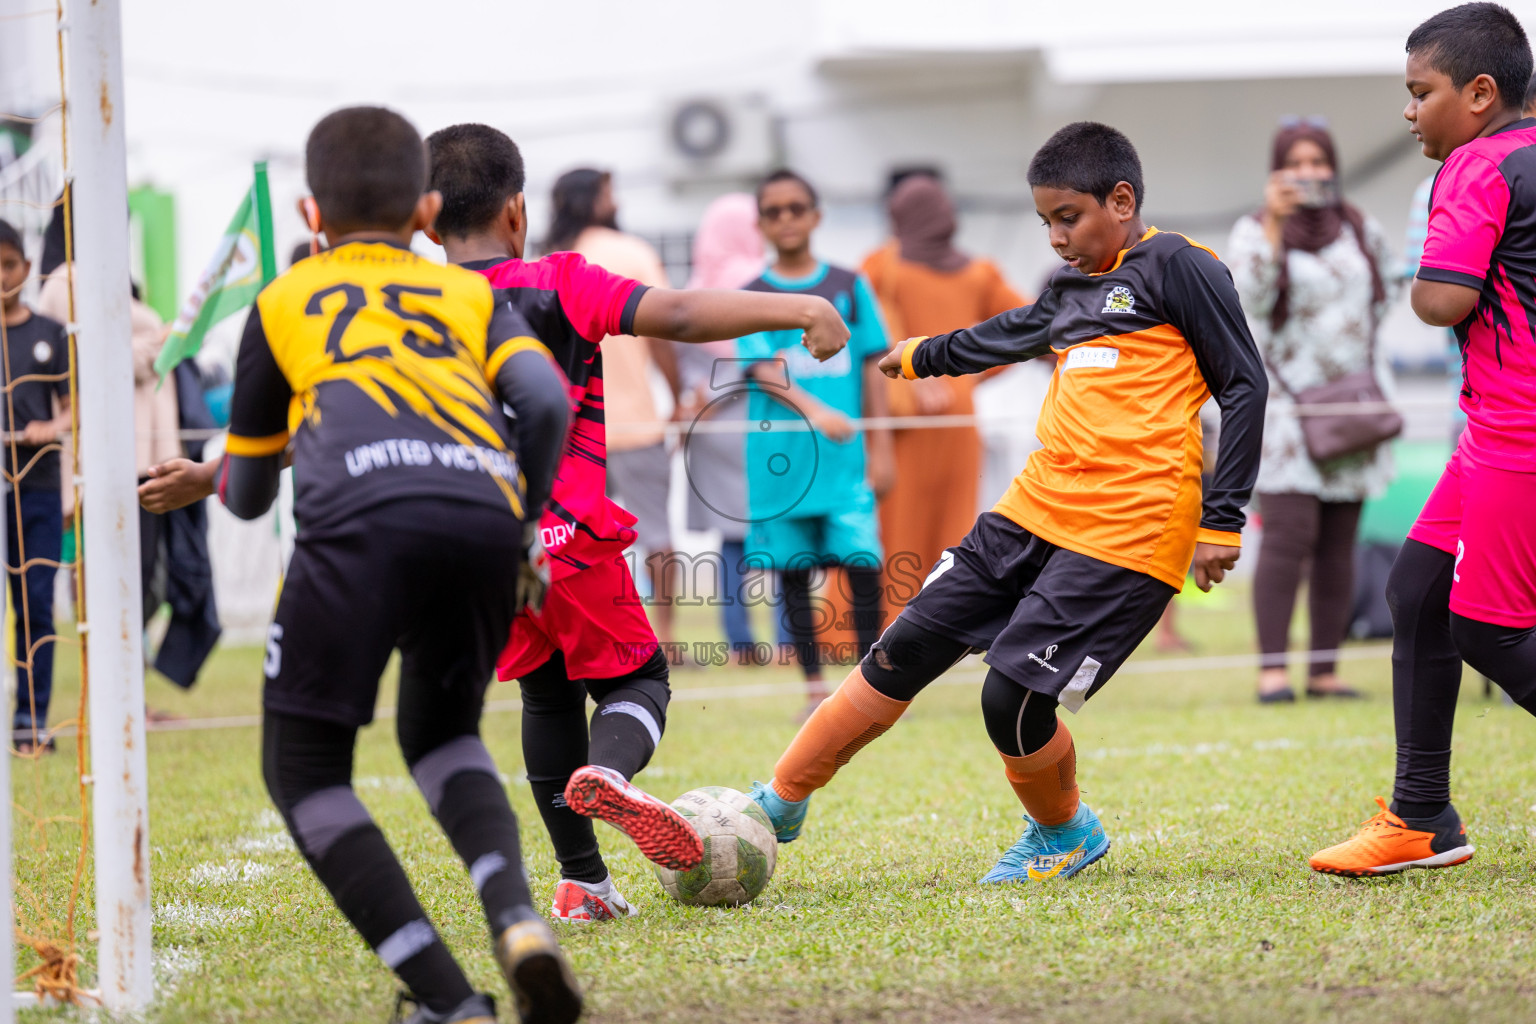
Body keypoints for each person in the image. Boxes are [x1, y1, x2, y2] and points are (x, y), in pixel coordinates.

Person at [747, 122, 1267, 884]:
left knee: (1011, 697)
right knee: (906, 643)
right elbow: (1015, 332)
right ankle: (777, 801)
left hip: (1129, 532)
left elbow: (1245, 386)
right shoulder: (1070, 289)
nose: (1056, 238)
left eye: (1068, 218)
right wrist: (923, 355)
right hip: (1031, 511)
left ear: (1121, 201)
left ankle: (1064, 832)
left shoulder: (1183, 269)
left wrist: (1222, 518)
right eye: (1045, 222)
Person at [164, 106, 582, 1024]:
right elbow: (546, 401)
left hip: (357, 524)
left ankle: (447, 1001)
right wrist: (520, 526)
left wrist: (248, 477)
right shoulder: (472, 296)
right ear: (427, 210)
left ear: (311, 213)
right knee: (445, 737)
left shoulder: (285, 299)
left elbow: (244, 497)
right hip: (479, 516)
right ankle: (517, 924)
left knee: (308, 771)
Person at [422, 124, 850, 923]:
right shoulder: (560, 282)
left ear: (424, 218)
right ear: (517, 210)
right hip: (567, 537)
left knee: (546, 702)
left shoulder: (412, 306)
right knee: (637, 681)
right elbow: (682, 313)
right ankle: (612, 777)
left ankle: (584, 882)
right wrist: (800, 305)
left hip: (477, 545)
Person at [1312, 3, 1536, 878]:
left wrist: (1427, 261)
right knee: (1416, 590)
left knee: (1491, 632)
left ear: (1479, 94)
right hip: (1494, 428)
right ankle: (1420, 817)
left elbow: (1440, 299)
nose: (1408, 113)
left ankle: (1419, 815)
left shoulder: (1476, 166)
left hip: (1518, 432)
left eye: (1420, 93)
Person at [1228, 122, 1398, 703]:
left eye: (1318, 162)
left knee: (1339, 542)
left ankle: (1324, 670)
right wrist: (1275, 224)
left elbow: (1389, 292)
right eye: (1294, 163)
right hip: (1286, 408)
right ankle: (1272, 671)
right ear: (1277, 170)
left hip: (1353, 404)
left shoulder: (1358, 226)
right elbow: (1245, 299)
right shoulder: (1254, 230)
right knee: (1288, 536)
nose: (1307, 173)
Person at [737, 170, 895, 715]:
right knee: (794, 573)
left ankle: (871, 685)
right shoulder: (752, 296)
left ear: (815, 215)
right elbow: (760, 369)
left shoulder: (850, 285)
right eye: (773, 210)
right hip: (780, 464)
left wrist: (883, 446)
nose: (785, 219)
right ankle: (812, 688)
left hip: (846, 462)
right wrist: (816, 410)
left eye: (795, 208)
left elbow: (875, 362)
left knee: (864, 565)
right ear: (760, 222)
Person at [861, 173, 1027, 614]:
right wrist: (967, 377)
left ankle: (889, 626)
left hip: (905, 423)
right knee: (952, 529)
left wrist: (915, 375)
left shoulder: (881, 266)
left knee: (897, 527)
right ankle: (942, 625)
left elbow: (859, 335)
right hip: (956, 420)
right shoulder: (979, 273)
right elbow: (1027, 328)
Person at [546, 169, 683, 646]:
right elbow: (665, 329)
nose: (616, 200)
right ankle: (665, 638)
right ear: (595, 199)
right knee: (658, 537)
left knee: (569, 539)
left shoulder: (547, 261)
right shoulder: (633, 253)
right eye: (608, 192)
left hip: (570, 430)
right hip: (638, 421)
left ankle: (583, 633)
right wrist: (680, 395)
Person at [673, 193, 765, 660]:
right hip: (760, 424)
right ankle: (790, 639)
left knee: (729, 539)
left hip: (710, 428)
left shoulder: (694, 286)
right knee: (779, 535)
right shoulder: (757, 282)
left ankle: (739, 642)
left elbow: (683, 359)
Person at [0, 219, 71, 753]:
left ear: (26, 268)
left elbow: (73, 412)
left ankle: (31, 723)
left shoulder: (51, 334)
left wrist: (52, 427)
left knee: (37, 604)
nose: (3, 277)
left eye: (9, 265)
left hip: (39, 489)